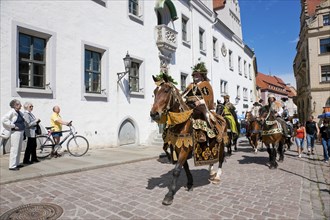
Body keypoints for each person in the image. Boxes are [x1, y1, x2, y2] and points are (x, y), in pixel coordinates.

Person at [181, 62, 219, 142]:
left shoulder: (205, 84)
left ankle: (203, 133)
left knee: (202, 112)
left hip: (200, 104)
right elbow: (183, 94)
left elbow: (208, 97)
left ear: (202, 76)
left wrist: (200, 102)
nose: (195, 76)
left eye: (197, 75)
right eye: (194, 75)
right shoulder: (190, 85)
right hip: (189, 103)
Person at [1, 99, 25, 170]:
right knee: (15, 148)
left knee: (19, 148)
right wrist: (13, 125)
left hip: (21, 131)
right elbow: (4, 119)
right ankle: (12, 166)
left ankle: (17, 163)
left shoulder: (19, 112)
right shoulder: (11, 112)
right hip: (15, 132)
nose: (21, 105)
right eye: (20, 104)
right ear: (16, 105)